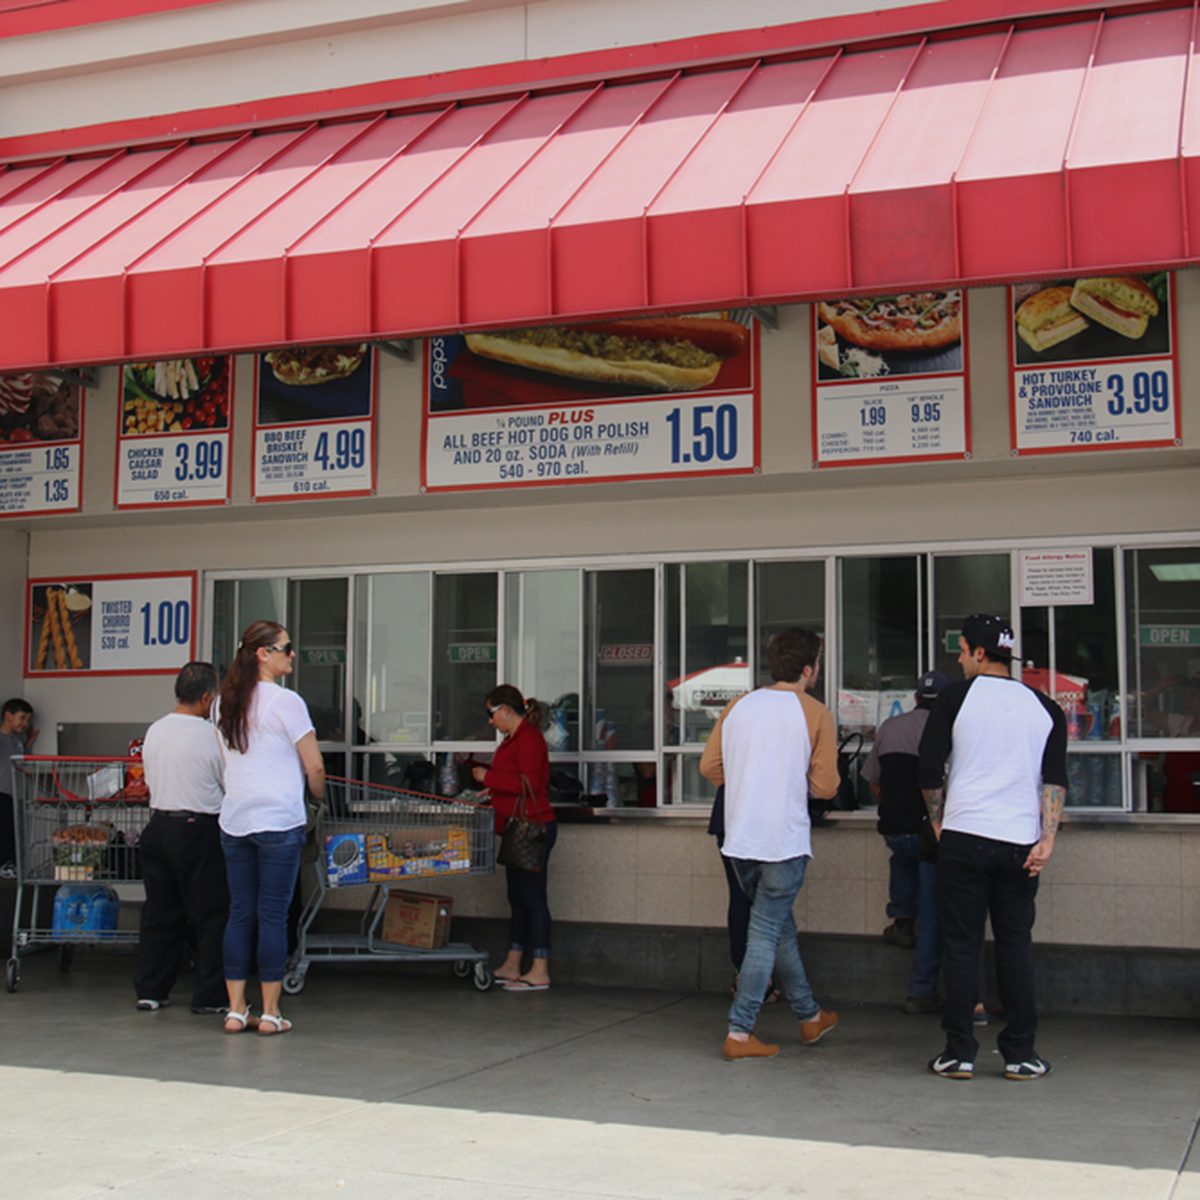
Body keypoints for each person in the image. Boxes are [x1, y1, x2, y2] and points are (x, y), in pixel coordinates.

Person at [919, 613, 1067, 1081]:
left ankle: (959, 1052)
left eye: (962, 650)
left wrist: (940, 823)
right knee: (1015, 946)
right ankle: (1021, 1054)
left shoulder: (954, 698)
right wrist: (1047, 840)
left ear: (980, 652)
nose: (959, 659)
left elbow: (928, 771)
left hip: (965, 836)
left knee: (962, 944)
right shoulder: (1044, 707)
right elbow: (1056, 781)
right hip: (1020, 843)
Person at [700, 628, 841, 1061]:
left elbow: (709, 766)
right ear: (808, 669)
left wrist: (748, 781)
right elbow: (826, 786)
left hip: (739, 839)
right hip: (783, 840)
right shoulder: (816, 713)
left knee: (777, 927)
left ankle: (809, 1015)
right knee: (765, 932)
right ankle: (740, 1032)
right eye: (817, 663)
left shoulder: (738, 706)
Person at [216, 621, 325, 1035]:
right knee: (273, 916)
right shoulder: (287, 702)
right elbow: (313, 764)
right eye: (286, 648)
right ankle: (271, 1011)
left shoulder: (222, 703)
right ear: (263, 653)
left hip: (236, 819)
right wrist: (316, 795)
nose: (291, 654)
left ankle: (235, 1009)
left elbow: (225, 762)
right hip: (279, 820)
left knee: (240, 912)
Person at [135, 662, 229, 1014]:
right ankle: (209, 996)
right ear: (206, 697)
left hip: (158, 828)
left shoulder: (155, 730)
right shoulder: (211, 735)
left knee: (160, 912)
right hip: (199, 829)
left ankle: (151, 990)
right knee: (212, 915)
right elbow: (227, 782)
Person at [862, 670, 949, 1011]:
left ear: (915, 698)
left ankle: (901, 918)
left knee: (901, 856)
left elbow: (872, 779)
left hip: (894, 829)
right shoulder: (947, 731)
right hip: (929, 833)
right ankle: (921, 990)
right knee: (932, 910)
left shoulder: (890, 728)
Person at [471, 685, 554, 991]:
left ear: (506, 710)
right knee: (517, 898)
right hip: (514, 828)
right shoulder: (513, 739)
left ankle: (540, 968)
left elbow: (528, 782)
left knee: (533, 898)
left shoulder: (529, 738)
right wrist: (491, 790)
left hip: (532, 828)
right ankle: (513, 961)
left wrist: (487, 777)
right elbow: (515, 779)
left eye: (490, 714)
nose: (490, 721)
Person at [0, 698, 37, 879]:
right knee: (5, 830)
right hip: (2, 791)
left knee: (14, 831)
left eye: (28, 720)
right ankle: (4, 865)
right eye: (21, 718)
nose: (25, 724)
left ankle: (12, 864)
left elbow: (23, 760)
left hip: (15, 792)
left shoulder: (17, 741)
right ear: (8, 716)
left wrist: (29, 743)